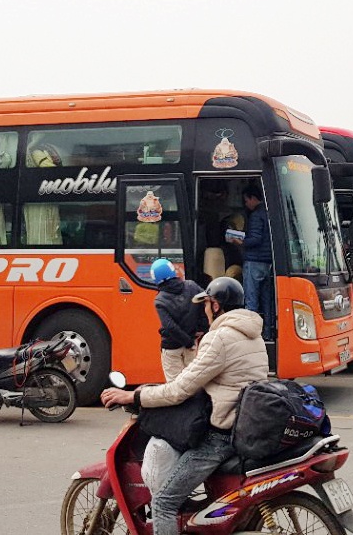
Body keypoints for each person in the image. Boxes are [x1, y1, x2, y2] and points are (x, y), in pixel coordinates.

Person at [101, 277, 267, 535]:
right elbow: (209, 377)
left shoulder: (219, 338)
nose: (203, 310)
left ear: (215, 305)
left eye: (206, 304)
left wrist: (132, 396)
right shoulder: (253, 335)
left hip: (220, 436)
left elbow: (179, 390)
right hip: (246, 424)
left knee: (164, 502)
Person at [150, 258, 209, 381]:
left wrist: (187, 342)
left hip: (172, 347)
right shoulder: (191, 286)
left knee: (174, 387)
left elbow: (170, 326)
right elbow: (206, 305)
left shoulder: (160, 300)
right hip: (191, 345)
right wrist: (202, 329)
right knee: (192, 382)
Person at [231, 185, 274, 340]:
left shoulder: (256, 215)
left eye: (246, 200)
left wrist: (239, 241)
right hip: (268, 263)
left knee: (251, 302)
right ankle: (268, 334)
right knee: (267, 302)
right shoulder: (269, 213)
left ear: (253, 198)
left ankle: (252, 337)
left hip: (254, 262)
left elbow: (255, 239)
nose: (246, 204)